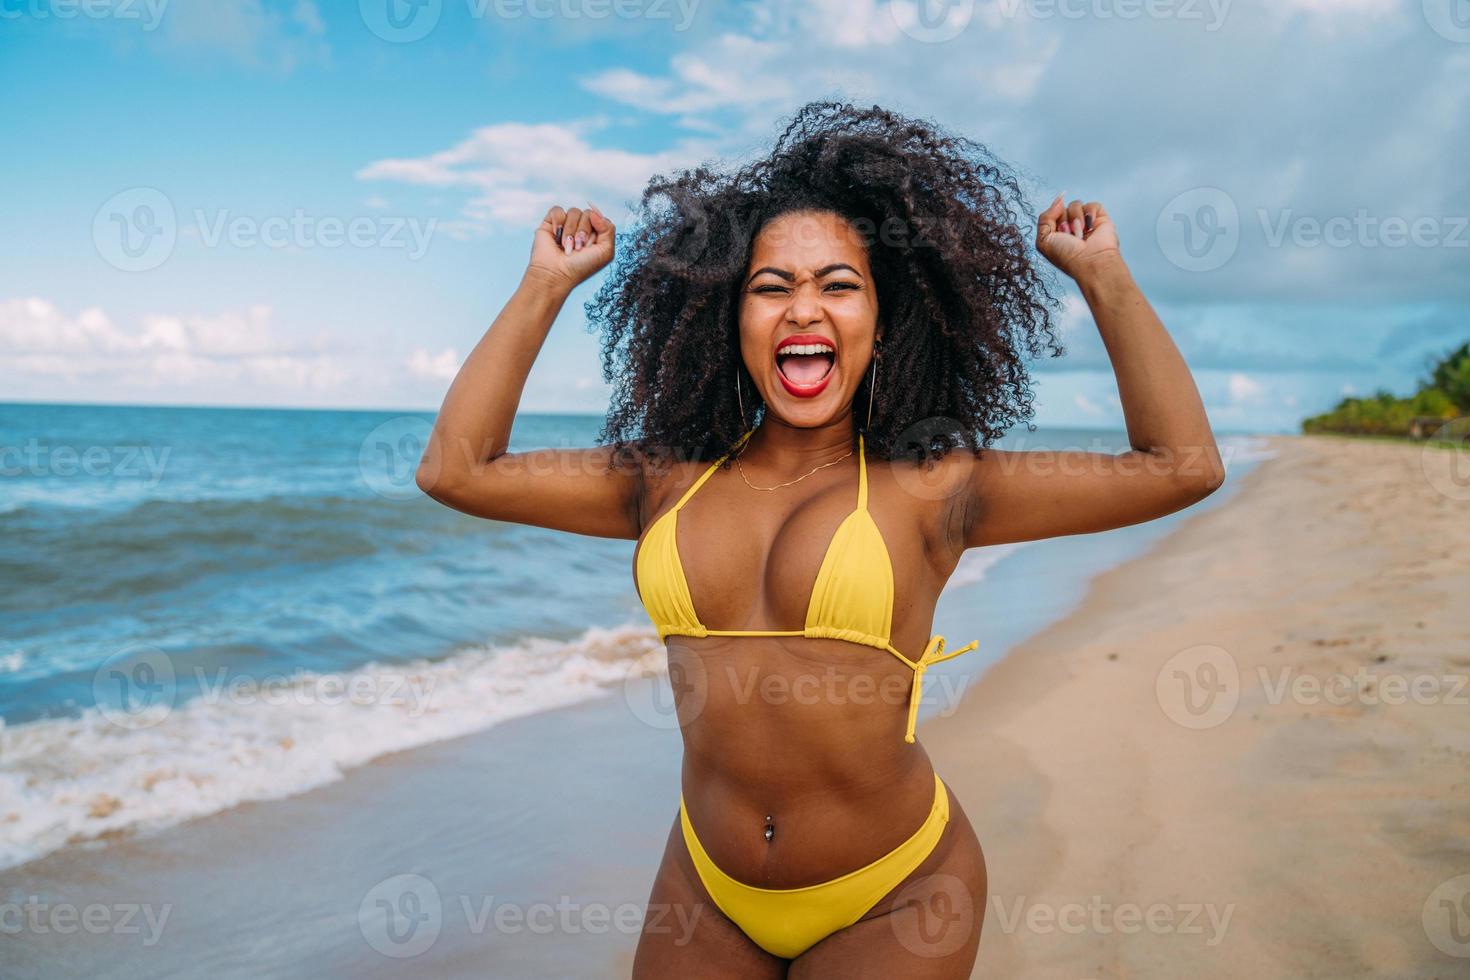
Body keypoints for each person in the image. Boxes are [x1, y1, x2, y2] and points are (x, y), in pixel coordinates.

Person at [417, 101, 1224, 978]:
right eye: (772, 288)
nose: (804, 309)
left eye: (838, 285)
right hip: (705, 888)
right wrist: (545, 284)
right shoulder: (664, 479)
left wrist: (1102, 276)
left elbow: (1180, 464)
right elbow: (457, 470)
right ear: (732, 319)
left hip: (898, 892)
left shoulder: (936, 485)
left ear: (883, 323)